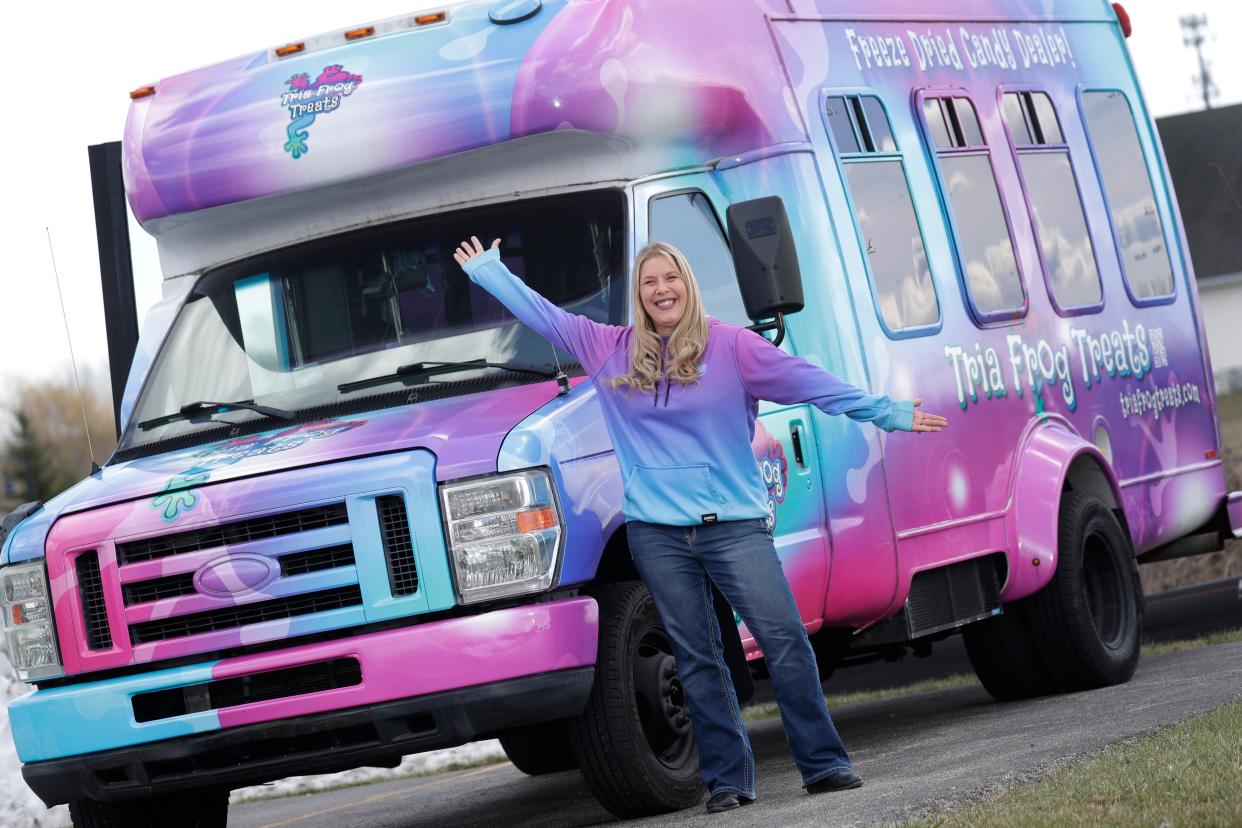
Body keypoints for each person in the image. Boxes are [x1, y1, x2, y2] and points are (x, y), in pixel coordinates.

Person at [454, 236, 947, 813]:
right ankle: (728, 781)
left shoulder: (734, 347)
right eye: (649, 282)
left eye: (672, 278)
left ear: (688, 285)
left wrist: (888, 412)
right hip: (658, 536)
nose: (662, 289)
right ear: (638, 297)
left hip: (734, 527)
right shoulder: (608, 349)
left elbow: (814, 384)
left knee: (784, 639)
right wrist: (489, 269)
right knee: (697, 657)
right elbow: (541, 314)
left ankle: (824, 763)